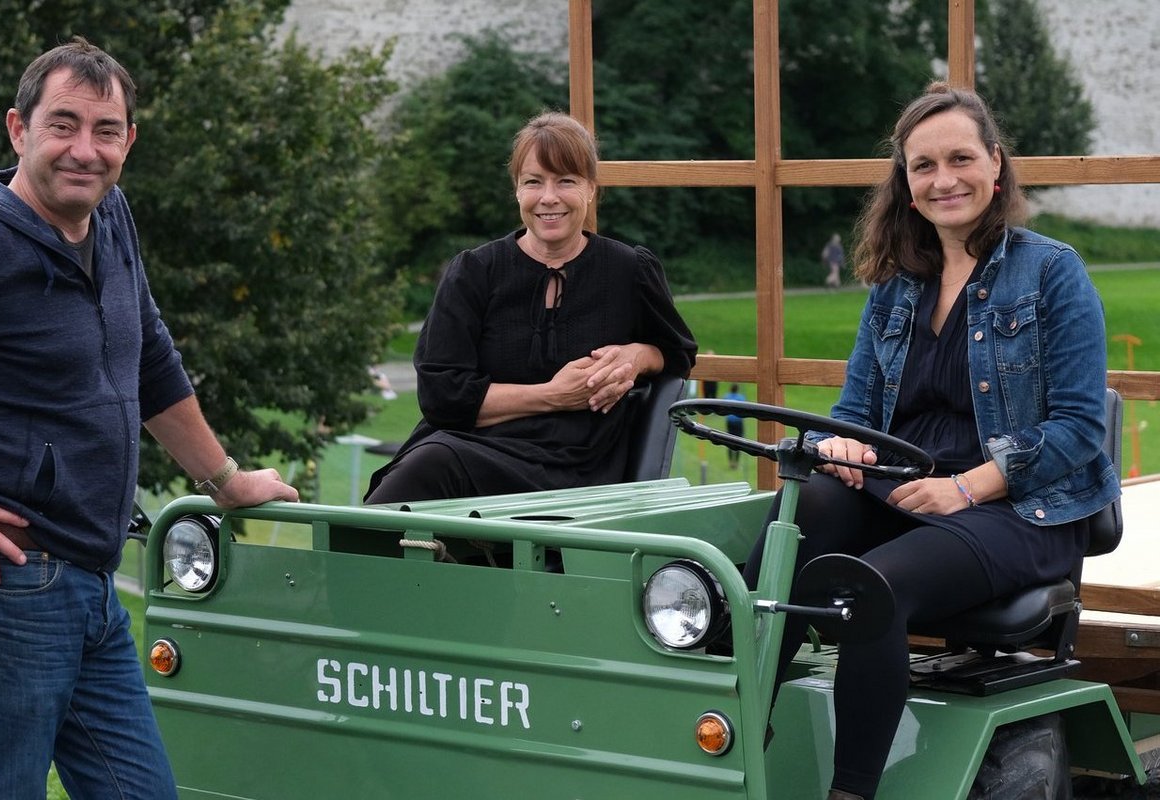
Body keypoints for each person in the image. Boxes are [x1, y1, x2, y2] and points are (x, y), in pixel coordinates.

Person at [0, 38, 299, 798]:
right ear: (18, 129)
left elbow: (150, 362)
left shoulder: (109, 219)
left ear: (128, 140)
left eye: (105, 131)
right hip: (2, 586)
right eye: (62, 125)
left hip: (89, 587)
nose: (85, 150)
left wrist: (227, 479)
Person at [741, 82, 1116, 800]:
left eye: (960, 159)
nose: (944, 179)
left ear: (996, 166)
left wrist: (967, 486)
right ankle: (735, 731)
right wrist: (841, 447)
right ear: (907, 186)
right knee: (801, 519)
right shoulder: (895, 287)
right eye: (924, 166)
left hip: (1018, 508)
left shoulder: (1051, 272)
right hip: (910, 489)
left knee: (872, 583)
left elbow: (1077, 428)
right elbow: (853, 408)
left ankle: (849, 791)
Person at [365, 111, 697, 504]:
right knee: (419, 474)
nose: (548, 198)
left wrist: (637, 355)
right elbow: (443, 396)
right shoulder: (474, 271)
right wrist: (554, 394)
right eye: (533, 182)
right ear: (517, 190)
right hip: (472, 450)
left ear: (590, 189)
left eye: (566, 181)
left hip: (578, 468)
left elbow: (678, 354)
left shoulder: (629, 270)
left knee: (429, 466)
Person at [722, 383, 747, 466]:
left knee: (728, 441)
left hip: (730, 422)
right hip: (738, 421)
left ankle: (730, 462)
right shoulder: (741, 397)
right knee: (739, 442)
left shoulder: (727, 396)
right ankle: (736, 462)